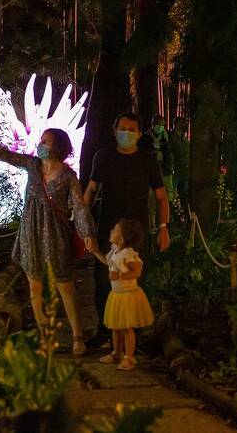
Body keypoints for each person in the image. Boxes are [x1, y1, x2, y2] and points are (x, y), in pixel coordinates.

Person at [0, 119, 97, 356]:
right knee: (35, 288)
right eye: (41, 140)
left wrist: (87, 234)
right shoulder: (33, 165)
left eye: (45, 141)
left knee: (64, 286)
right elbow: (3, 155)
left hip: (55, 235)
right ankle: (46, 338)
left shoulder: (67, 176)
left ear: (57, 147)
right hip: (30, 233)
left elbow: (79, 206)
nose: (40, 144)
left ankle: (77, 336)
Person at [83, 112, 169, 348]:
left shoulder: (148, 161)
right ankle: (105, 332)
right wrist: (82, 221)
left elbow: (161, 197)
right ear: (114, 129)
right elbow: (90, 190)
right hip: (108, 229)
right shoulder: (103, 157)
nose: (126, 133)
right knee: (103, 280)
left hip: (137, 231)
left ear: (140, 134)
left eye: (132, 130)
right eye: (122, 128)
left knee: (134, 281)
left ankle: (134, 335)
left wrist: (163, 227)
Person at [86, 219, 154, 371]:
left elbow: (137, 271)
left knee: (126, 328)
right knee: (115, 327)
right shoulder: (115, 250)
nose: (111, 231)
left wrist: (121, 277)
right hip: (116, 295)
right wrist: (96, 251)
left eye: (114, 230)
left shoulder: (128, 254)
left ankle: (129, 357)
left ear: (122, 238)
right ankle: (116, 352)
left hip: (127, 295)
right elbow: (108, 262)